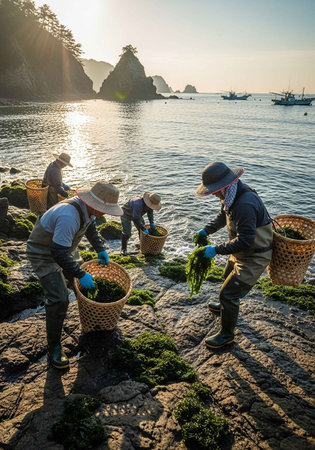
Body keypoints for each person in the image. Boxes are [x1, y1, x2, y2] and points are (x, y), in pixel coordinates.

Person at [26, 181, 123, 369]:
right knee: (59, 298)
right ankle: (53, 347)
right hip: (43, 253)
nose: (106, 212)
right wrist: (80, 274)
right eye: (105, 209)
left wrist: (100, 249)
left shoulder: (88, 210)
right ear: (94, 204)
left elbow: (91, 228)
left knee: (86, 284)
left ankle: (92, 319)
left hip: (64, 248)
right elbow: (57, 253)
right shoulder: (69, 215)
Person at [195, 162, 273, 349]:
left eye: (214, 190)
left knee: (229, 294)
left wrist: (216, 250)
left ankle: (227, 335)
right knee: (226, 278)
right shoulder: (231, 194)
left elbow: (246, 240)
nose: (213, 193)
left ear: (224, 185)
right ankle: (225, 306)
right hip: (241, 252)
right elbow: (223, 216)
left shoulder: (245, 203)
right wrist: (206, 230)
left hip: (254, 256)